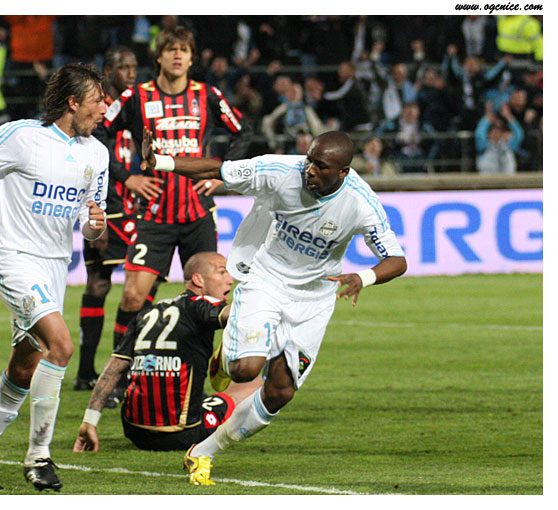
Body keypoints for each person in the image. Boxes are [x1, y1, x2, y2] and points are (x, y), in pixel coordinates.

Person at [138, 128, 407, 485]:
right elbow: (218, 169)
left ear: (343, 172)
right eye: (309, 160)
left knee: (280, 392)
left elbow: (397, 260)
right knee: (245, 371)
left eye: (321, 166)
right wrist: (160, 161)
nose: (310, 170)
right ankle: (230, 353)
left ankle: (203, 452)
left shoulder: (361, 203)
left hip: (313, 299)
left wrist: (363, 277)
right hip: (267, 280)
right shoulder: (281, 170)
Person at [0, 63, 109, 492]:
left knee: (25, 366)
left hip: (55, 266)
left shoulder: (97, 153)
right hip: (13, 259)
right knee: (62, 345)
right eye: (97, 101)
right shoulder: (22, 137)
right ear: (73, 102)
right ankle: (39, 457)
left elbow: (91, 224)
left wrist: (96, 225)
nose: (104, 109)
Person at [95, 26, 252, 405]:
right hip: (154, 215)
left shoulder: (208, 95)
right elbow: (99, 133)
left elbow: (243, 132)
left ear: (192, 58)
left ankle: (197, 378)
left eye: (184, 50)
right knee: (133, 296)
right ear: (159, 56)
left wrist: (221, 175)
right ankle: (123, 379)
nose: (178, 55)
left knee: (209, 298)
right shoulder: (136, 96)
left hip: (198, 214)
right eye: (171, 49)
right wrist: (127, 177)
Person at [73, 252, 262, 452]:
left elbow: (114, 367)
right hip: (182, 433)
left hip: (134, 431)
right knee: (255, 381)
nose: (230, 280)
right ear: (198, 279)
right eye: (222, 272)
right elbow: (237, 315)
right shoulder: (200, 305)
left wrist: (89, 421)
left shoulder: (147, 313)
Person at [75, 46, 165, 391]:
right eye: (123, 67)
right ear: (108, 71)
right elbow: (93, 153)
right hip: (108, 204)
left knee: (145, 285)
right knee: (98, 284)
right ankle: (86, 371)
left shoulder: (137, 103)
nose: (131, 72)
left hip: (139, 205)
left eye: (134, 66)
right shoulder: (97, 108)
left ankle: (123, 370)